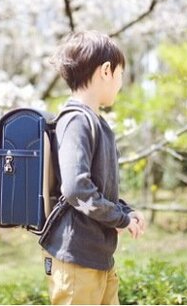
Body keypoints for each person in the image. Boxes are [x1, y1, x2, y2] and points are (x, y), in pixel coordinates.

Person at [41, 30, 147, 305]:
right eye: (121, 76)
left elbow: (98, 188)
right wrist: (120, 219)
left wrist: (125, 211)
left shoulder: (96, 122)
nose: (120, 84)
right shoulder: (76, 120)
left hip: (97, 255)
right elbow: (76, 189)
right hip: (76, 257)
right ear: (106, 71)